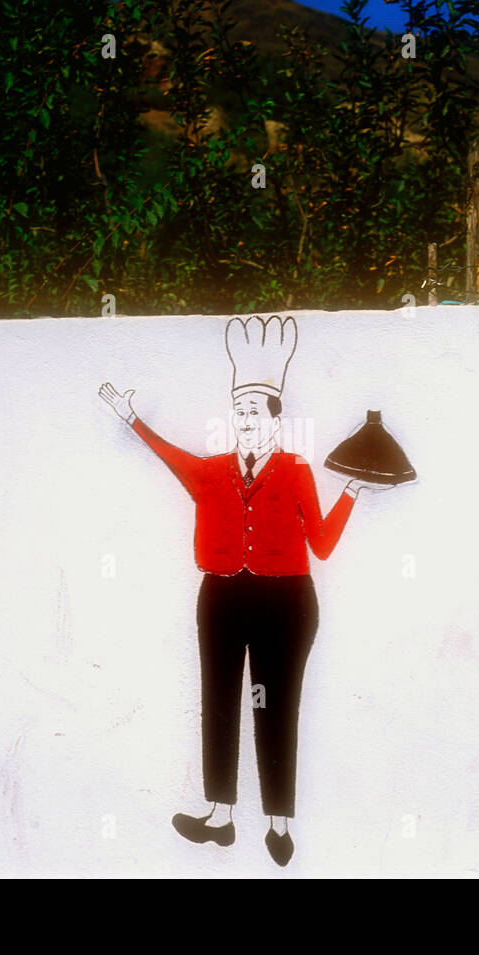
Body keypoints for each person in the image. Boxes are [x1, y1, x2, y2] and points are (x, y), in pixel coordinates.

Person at [98, 315, 390, 866]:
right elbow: (168, 454)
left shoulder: (295, 471)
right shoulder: (209, 473)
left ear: (276, 419)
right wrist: (132, 418)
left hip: (286, 602)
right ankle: (221, 816)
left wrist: (350, 491)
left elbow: (322, 545)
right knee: (220, 699)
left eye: (254, 411)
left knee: (276, 706)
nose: (245, 420)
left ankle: (278, 821)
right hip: (222, 598)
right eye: (239, 411)